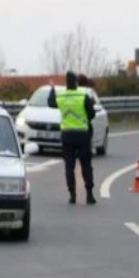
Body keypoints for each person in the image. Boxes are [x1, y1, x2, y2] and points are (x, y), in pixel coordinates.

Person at [47, 71, 97, 205]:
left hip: (67, 135)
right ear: (76, 82)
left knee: (69, 166)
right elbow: (92, 114)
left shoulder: (61, 97)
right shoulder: (83, 96)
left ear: (66, 83)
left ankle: (72, 194)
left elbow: (51, 103)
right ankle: (89, 194)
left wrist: (52, 89)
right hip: (82, 134)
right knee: (86, 165)